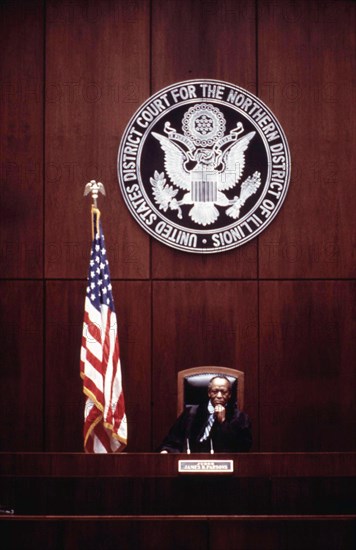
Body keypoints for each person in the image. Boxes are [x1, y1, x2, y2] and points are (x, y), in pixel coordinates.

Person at [158, 375, 252, 453]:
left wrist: (223, 422)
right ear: (209, 393)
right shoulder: (191, 413)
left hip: (222, 468)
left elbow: (243, 448)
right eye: (215, 391)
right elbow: (173, 440)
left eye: (223, 392)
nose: (219, 396)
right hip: (190, 465)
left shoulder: (240, 418)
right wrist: (166, 451)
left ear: (229, 394)